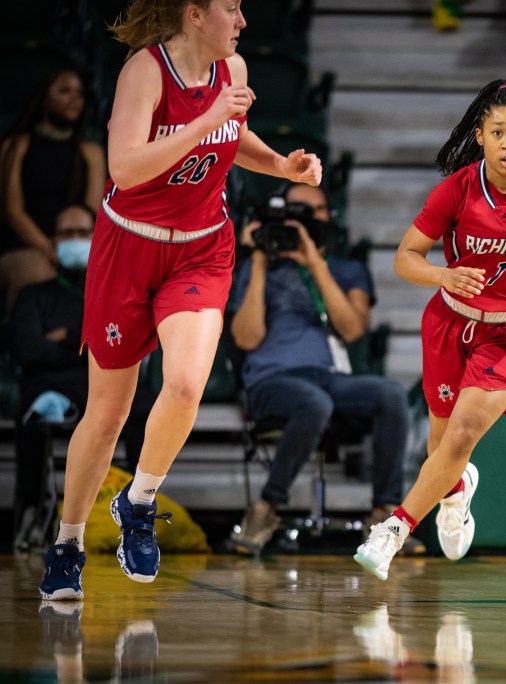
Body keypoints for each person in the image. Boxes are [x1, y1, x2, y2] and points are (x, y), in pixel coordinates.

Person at [37, 0, 322, 601]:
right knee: (108, 414)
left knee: (187, 383)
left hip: (200, 250)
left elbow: (232, 137)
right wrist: (207, 117)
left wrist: (281, 166)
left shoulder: (233, 71)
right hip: (128, 249)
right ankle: (65, 543)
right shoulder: (145, 71)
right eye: (231, 8)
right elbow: (126, 167)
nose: (243, 20)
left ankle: (138, 500)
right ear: (194, 14)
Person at [354, 78, 506, 581]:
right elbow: (405, 259)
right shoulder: (457, 190)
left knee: (461, 436)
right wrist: (444, 274)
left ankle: (392, 530)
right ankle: (457, 492)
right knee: (442, 448)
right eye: (498, 131)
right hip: (450, 322)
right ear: (480, 136)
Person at [228, 182, 417, 555]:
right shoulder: (257, 265)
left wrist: (315, 264)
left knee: (391, 394)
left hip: (329, 378)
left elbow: (352, 329)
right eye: (296, 211)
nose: (307, 219)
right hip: (271, 381)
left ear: (330, 218)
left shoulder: (347, 270)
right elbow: (247, 339)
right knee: (313, 402)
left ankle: (384, 517)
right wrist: (261, 260)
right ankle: (266, 508)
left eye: (315, 211)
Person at [11, 204, 154, 552]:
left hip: (98, 384)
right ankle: (32, 514)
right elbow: (27, 349)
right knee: (32, 421)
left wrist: (65, 336)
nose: (76, 241)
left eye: (83, 233)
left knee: (143, 408)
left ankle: (138, 514)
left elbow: (129, 339)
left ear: (98, 237)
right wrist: (84, 341)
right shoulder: (34, 296)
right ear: (53, 242)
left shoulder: (113, 293)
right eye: (67, 234)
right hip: (48, 384)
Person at [0, 69, 106, 312]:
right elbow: (13, 212)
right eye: (64, 91)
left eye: (80, 94)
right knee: (35, 274)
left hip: (77, 239)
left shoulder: (90, 151)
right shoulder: (17, 145)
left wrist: (70, 243)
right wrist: (47, 247)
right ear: (44, 98)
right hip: (27, 242)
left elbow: (91, 211)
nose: (74, 99)